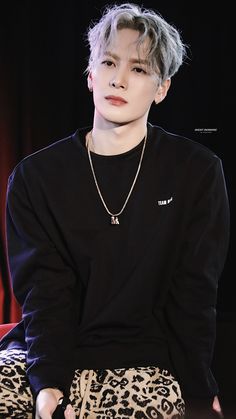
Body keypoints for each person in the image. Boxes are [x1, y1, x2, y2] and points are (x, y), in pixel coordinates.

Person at [0, 2, 230, 418]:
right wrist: (48, 384)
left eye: (139, 69)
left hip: (143, 357)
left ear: (161, 88)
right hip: (48, 351)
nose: (119, 79)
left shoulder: (196, 172)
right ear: (91, 76)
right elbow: (45, 291)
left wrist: (198, 385)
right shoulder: (35, 177)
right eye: (108, 62)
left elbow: (194, 292)